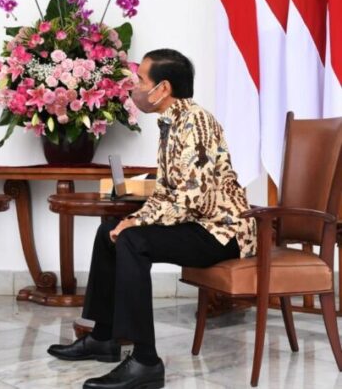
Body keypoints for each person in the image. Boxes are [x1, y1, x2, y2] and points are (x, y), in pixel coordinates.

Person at [47, 49, 256, 389]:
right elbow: (166, 194)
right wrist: (132, 219)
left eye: (141, 80)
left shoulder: (196, 124)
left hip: (221, 232)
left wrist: (138, 224)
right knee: (110, 231)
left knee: (133, 240)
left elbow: (192, 199)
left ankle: (145, 361)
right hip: (198, 223)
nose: (135, 86)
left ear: (163, 88)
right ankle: (103, 338)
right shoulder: (172, 122)